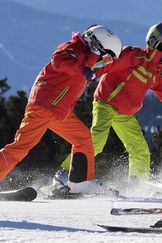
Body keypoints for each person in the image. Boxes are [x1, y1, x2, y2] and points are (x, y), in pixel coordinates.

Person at [59, 22, 162, 184]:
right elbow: (107, 65)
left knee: (140, 150)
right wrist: (89, 73)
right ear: (155, 42)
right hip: (105, 104)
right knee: (96, 141)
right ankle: (65, 173)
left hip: (125, 115)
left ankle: (137, 184)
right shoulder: (132, 55)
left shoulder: (158, 74)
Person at [0, 25, 122, 194]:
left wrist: (124, 61)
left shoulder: (88, 60)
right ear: (97, 47)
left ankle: (81, 182)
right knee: (21, 147)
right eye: (105, 56)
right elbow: (59, 61)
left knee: (83, 138)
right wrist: (83, 69)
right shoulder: (72, 48)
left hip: (59, 112)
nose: (104, 60)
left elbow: (97, 69)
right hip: (43, 107)